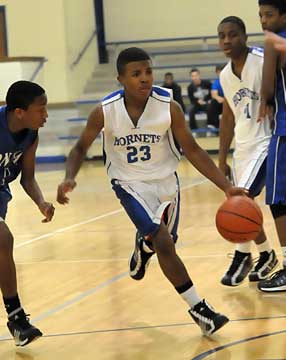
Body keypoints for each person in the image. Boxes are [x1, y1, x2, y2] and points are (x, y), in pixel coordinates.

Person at [57, 47, 247, 335]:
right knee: (163, 242)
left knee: (164, 240)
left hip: (166, 181)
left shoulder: (169, 106)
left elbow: (193, 150)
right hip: (128, 183)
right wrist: (69, 176)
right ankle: (200, 310)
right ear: (120, 78)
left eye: (148, 72)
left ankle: (142, 247)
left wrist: (227, 187)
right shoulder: (104, 111)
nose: (144, 78)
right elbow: (80, 147)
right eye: (136, 74)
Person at [217, 16, 278, 287]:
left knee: (242, 201)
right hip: (242, 147)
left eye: (233, 35)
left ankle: (242, 255)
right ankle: (266, 254)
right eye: (222, 36)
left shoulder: (262, 60)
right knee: (244, 205)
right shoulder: (224, 75)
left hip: (267, 140)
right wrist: (221, 159)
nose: (227, 41)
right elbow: (228, 117)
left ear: (244, 36)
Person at [0, 81, 55, 346]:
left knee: (2, 241)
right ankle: (17, 317)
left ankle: (16, 319)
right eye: (41, 110)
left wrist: (41, 203)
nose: (46, 115)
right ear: (19, 112)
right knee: (3, 238)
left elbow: (27, 178)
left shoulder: (30, 135)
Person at [257, 0, 286, 292]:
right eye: (260, 15)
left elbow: (268, 88)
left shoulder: (273, 43)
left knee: (280, 200)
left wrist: (264, 99)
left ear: (285, 16)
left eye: (269, 14)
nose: (263, 20)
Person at [206, 65, 225, 134]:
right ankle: (213, 126)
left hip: (231, 103)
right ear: (217, 73)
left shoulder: (230, 81)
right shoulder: (216, 82)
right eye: (219, 72)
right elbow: (214, 95)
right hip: (222, 103)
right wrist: (219, 98)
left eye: (222, 72)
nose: (221, 74)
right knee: (213, 103)